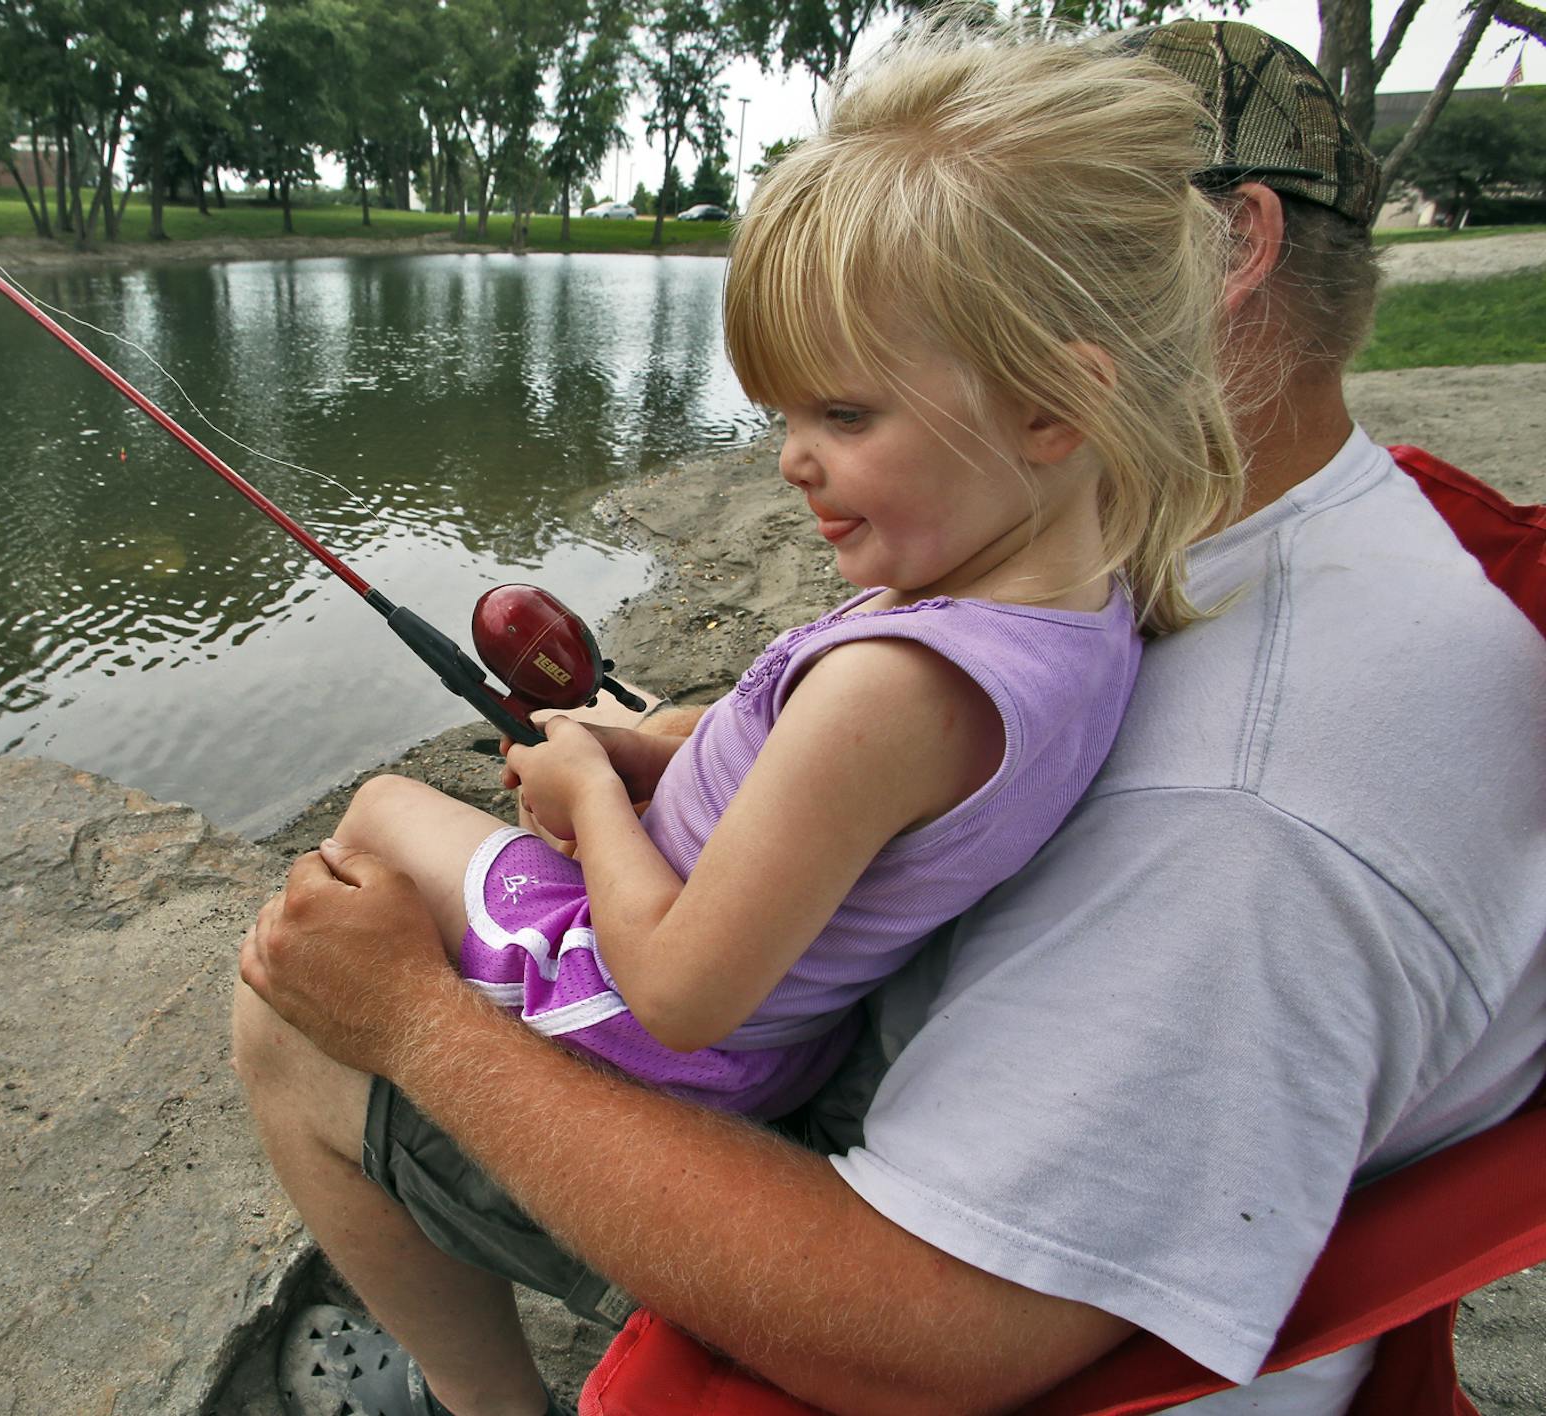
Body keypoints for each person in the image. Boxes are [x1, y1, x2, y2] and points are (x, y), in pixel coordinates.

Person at [235, 20, 1546, 1416]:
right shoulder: (1197, 556)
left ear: (1228, 253)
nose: (795, 455)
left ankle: (480, 1400)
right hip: (913, 1053)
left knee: (299, 1016)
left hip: (852, 1193)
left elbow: (929, 1339)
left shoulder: (1250, 813)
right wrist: (689, 743)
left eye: (1073, 209)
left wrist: (415, 1026)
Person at [307, 29, 1240, 1134]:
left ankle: (432, 1127)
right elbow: (829, 806)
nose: (792, 460)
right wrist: (655, 755)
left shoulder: (898, 690)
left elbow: (681, 993)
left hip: (653, 1025)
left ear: (1051, 409)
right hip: (786, 1013)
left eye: (843, 415)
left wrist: (594, 802)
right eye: (783, 415)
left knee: (378, 813)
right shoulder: (1064, 596)